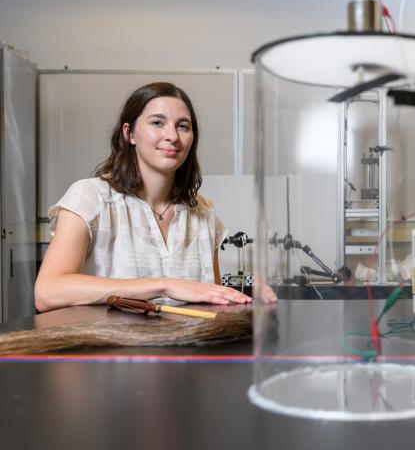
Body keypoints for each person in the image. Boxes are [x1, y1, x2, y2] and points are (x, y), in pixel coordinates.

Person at [35, 82, 275, 312]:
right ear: (129, 134)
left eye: (183, 126)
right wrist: (165, 285)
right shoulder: (90, 197)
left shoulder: (203, 211)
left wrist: (247, 293)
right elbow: (48, 292)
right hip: (109, 351)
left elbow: (207, 296)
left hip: (187, 352)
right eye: (158, 123)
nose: (172, 135)